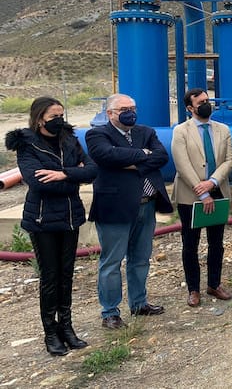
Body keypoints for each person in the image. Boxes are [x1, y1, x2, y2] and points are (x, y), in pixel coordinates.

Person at [5, 97, 97, 356]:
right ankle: (51, 333)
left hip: (70, 217)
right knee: (50, 277)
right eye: (53, 116)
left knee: (66, 275)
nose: (59, 120)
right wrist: (74, 175)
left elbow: (92, 170)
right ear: (39, 119)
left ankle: (67, 328)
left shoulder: (69, 139)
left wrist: (64, 173)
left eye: (61, 115)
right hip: (42, 219)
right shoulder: (26, 144)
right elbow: (38, 182)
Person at [85, 93, 173, 329]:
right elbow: (107, 156)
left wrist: (130, 162)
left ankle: (139, 303)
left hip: (147, 204)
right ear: (110, 113)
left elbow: (161, 157)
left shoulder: (146, 132)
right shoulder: (97, 134)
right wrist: (143, 155)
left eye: (132, 108)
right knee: (112, 262)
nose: (130, 113)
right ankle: (110, 312)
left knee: (141, 259)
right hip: (115, 207)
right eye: (124, 109)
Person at [171, 88, 232, 307]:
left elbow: (229, 160)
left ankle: (214, 284)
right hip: (190, 195)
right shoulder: (181, 131)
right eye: (201, 103)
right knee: (191, 244)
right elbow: (182, 164)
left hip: (218, 190)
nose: (207, 105)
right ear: (190, 108)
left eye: (208, 100)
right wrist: (203, 191)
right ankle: (193, 289)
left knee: (216, 243)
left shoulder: (223, 129)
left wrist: (213, 182)